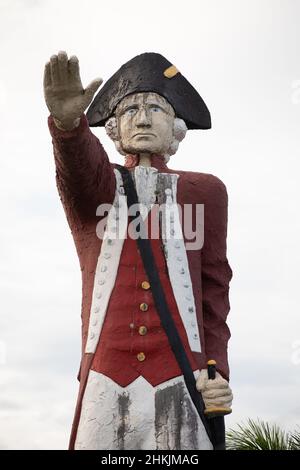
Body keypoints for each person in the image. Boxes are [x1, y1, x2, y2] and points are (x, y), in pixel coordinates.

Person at [44, 51, 233, 450]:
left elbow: (215, 291)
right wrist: (68, 126)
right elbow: (78, 166)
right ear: (113, 127)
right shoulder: (101, 185)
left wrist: (218, 371)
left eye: (155, 109)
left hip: (182, 375)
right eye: (131, 109)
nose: (143, 119)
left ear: (176, 126)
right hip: (106, 375)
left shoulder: (206, 191)